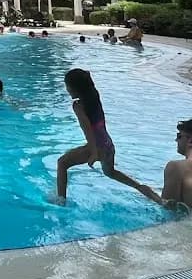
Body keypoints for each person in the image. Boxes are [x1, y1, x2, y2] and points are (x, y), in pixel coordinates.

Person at [55, 68, 162, 205]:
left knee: (62, 163)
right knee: (110, 172)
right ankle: (144, 190)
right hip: (108, 144)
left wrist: (93, 152)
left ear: (75, 88)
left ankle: (61, 201)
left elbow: (87, 129)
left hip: (97, 147)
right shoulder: (94, 96)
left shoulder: (78, 106)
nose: (67, 89)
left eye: (67, 86)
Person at [161, 120, 192, 211]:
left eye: (179, 136)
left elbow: (168, 210)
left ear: (190, 140)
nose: (176, 140)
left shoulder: (177, 167)